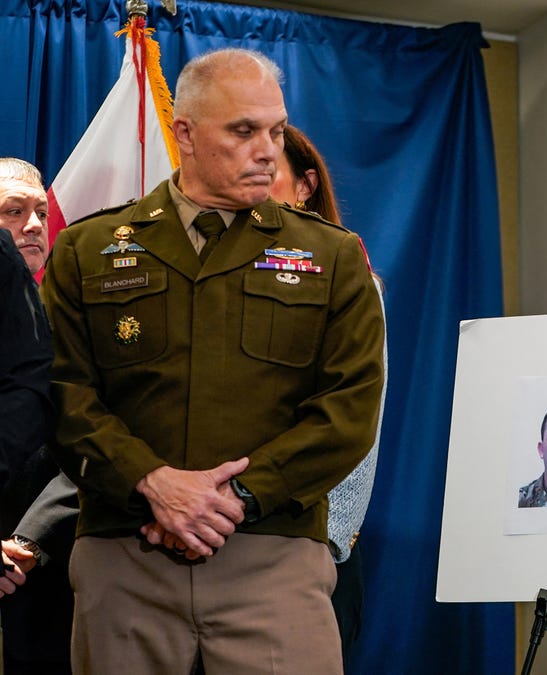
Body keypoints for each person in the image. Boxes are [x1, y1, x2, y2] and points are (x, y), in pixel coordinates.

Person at [40, 49, 384, 674]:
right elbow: (63, 394)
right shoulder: (87, 250)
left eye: (276, 131)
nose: (269, 151)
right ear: (186, 134)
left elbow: (350, 411)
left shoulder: (331, 258)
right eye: (244, 131)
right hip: (126, 553)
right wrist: (153, 483)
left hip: (272, 555)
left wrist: (236, 498)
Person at [270, 123, 386, 670]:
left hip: (305, 546)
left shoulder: (345, 276)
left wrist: (328, 543)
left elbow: (354, 421)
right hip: (218, 545)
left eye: (269, 171)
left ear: (305, 185)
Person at [0, 157, 62, 672]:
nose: (35, 225)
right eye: (13, 212)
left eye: (40, 210)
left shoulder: (80, 317)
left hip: (47, 561)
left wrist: (30, 537)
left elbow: (97, 439)